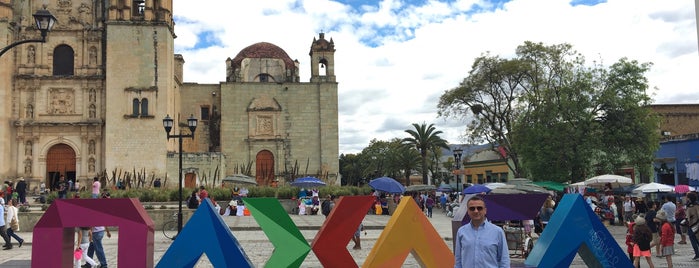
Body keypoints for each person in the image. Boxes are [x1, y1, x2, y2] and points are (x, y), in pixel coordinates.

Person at [455, 195, 509, 268]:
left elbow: (504, 260)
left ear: (485, 210)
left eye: (479, 208)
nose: (476, 211)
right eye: (472, 208)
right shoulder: (461, 232)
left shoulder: (497, 232)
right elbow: (458, 260)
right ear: (468, 211)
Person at [684, 192, 699, 261]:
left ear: (689, 198)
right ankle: (697, 254)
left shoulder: (693, 206)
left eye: (687, 197)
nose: (686, 198)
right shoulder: (690, 205)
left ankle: (697, 254)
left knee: (694, 240)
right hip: (693, 224)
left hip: (694, 224)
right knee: (696, 239)